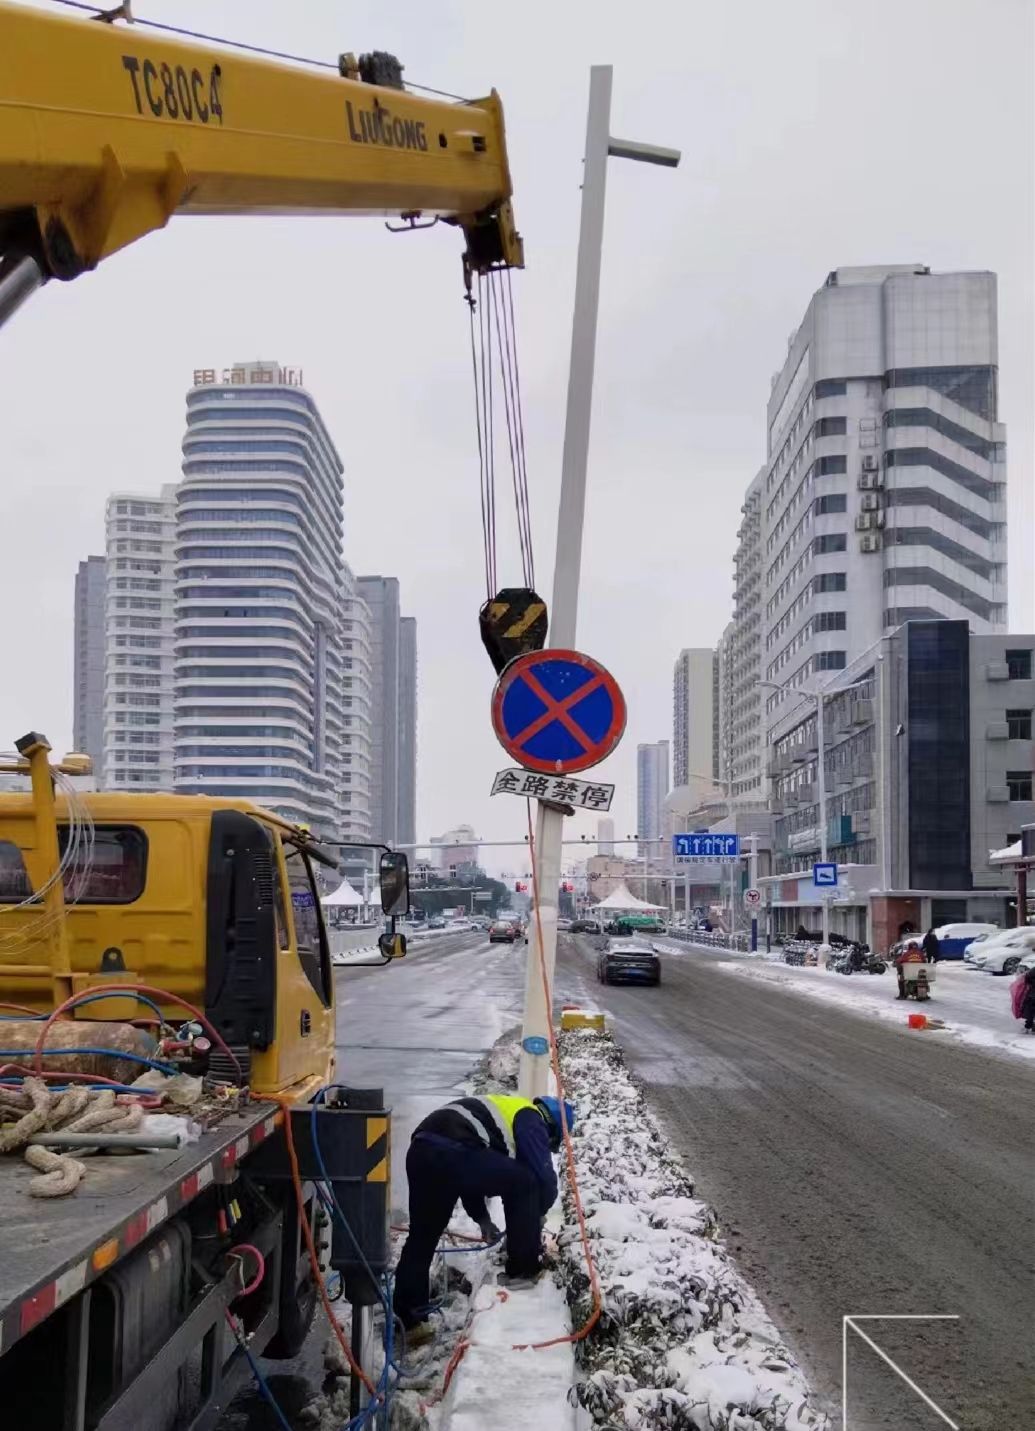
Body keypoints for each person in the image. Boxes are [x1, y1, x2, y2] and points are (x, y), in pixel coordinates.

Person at [392, 1092, 574, 1341]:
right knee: (524, 1181)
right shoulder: (532, 1118)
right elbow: (540, 1176)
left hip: (423, 1149)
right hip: (455, 1149)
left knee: (422, 1238)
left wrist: (482, 1220)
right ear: (552, 1128)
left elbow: (468, 1173)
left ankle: (410, 1322)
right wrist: (536, 1214)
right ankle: (523, 1269)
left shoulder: (500, 1112)